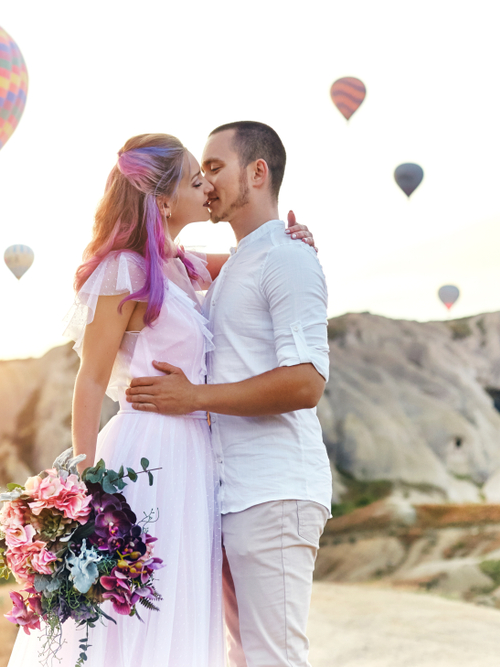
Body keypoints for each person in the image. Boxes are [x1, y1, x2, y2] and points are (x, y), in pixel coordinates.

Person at [6, 132, 315, 667]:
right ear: (165, 200)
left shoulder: (184, 265)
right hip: (149, 451)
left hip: (195, 455)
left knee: (182, 607)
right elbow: (90, 380)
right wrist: (85, 487)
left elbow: (251, 259)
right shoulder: (124, 269)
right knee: (140, 608)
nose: (208, 187)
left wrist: (295, 239)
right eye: (197, 179)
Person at [126, 121, 332, 667]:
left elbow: (307, 382)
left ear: (258, 172)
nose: (206, 181)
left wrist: (195, 398)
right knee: (244, 657)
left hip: (275, 488)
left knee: (273, 657)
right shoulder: (239, 262)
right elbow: (159, 260)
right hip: (230, 494)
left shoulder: (286, 258)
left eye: (215, 168)